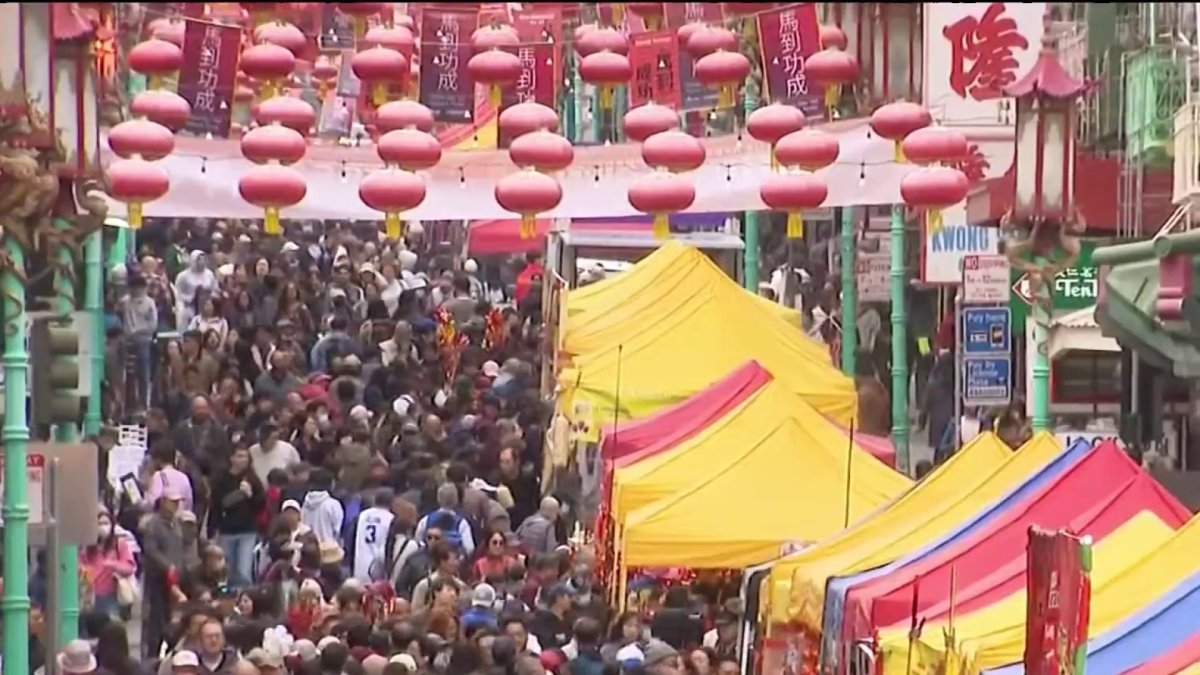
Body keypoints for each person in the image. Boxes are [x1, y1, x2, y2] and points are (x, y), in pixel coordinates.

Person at [209, 446, 265, 589]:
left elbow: (261, 504)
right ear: (231, 458)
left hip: (247, 531)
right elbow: (215, 506)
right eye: (239, 456)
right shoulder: (221, 479)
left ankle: (245, 601)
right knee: (227, 570)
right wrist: (211, 532)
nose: (242, 460)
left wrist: (250, 494)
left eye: (245, 457)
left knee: (244, 571)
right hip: (227, 531)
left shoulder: (252, 478)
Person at [142, 488, 189, 659]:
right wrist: (167, 566)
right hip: (158, 580)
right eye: (172, 502)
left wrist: (180, 568)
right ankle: (152, 655)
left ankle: (169, 651)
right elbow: (151, 551)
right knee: (156, 620)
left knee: (171, 618)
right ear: (163, 502)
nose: (175, 506)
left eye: (177, 502)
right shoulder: (154, 524)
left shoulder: (176, 523)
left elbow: (180, 549)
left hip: (174, 579)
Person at [81, 506, 137, 619]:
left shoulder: (119, 544)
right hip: (90, 595)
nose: (103, 527)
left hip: (111, 596)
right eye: (100, 523)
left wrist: (112, 564)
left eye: (106, 523)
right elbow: (80, 565)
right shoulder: (86, 546)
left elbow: (129, 567)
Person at [414, 483, 475, 557]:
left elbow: (418, 541)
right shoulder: (462, 523)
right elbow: (469, 548)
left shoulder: (426, 520)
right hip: (452, 563)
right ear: (456, 500)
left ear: (438, 499)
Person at [350, 490, 396, 582]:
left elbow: (352, 541)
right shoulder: (391, 519)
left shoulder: (361, 516)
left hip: (359, 564)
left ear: (375, 500)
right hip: (378, 568)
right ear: (391, 503)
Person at [300, 468, 345, 545]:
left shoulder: (305, 503)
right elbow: (338, 530)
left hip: (310, 549)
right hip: (329, 550)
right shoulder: (333, 504)